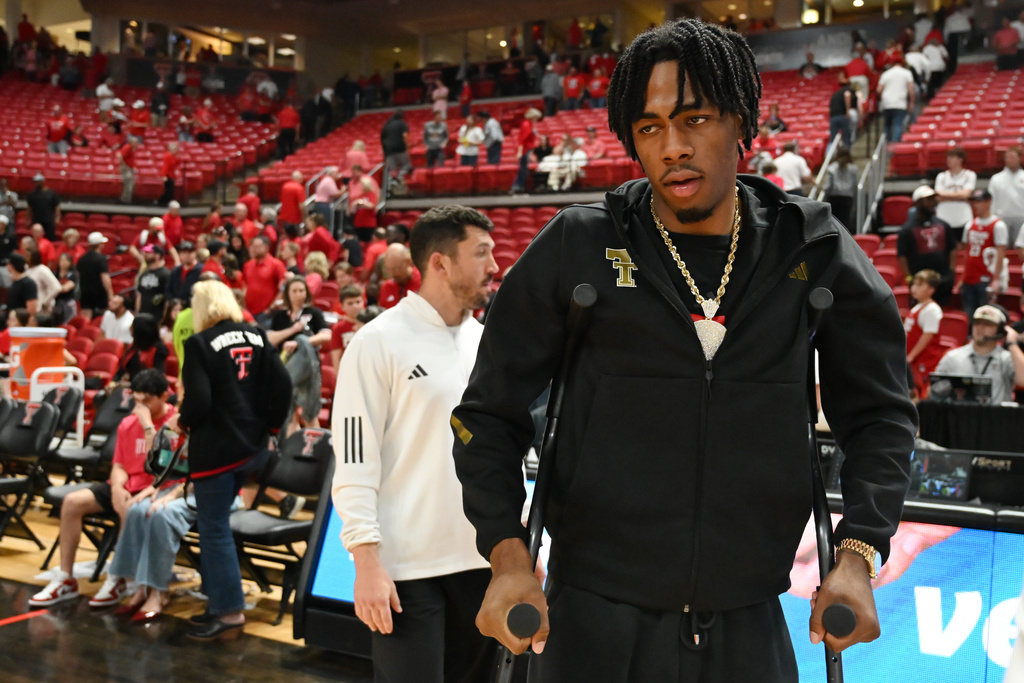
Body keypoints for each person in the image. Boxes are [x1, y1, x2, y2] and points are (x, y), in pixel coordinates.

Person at [451, 19, 917, 682]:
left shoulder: (812, 249)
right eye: (649, 128)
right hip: (590, 619)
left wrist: (859, 551)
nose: (673, 147)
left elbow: (880, 416)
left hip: (748, 618)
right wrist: (506, 554)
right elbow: (488, 415)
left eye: (695, 119)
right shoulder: (576, 247)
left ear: (741, 122)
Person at [331, 205, 499, 683]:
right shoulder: (377, 342)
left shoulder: (485, 342)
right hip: (405, 570)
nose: (494, 267)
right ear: (440, 263)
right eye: (481, 253)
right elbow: (354, 461)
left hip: (482, 563)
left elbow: (499, 454)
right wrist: (365, 562)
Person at [178, 280, 292, 639]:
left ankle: (228, 612)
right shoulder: (257, 335)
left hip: (217, 452)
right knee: (218, 527)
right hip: (252, 448)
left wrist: (183, 422)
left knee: (213, 530)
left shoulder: (198, 344)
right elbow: (284, 386)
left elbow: (197, 401)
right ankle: (217, 602)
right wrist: (272, 426)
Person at [29, 370, 178, 607]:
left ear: (164, 396)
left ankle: (118, 577)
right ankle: (66, 578)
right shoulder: (127, 423)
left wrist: (148, 424)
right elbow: (118, 464)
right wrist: (118, 488)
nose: (140, 406)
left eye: (147, 401)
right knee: (72, 503)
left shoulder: (175, 423)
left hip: (157, 488)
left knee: (130, 509)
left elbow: (162, 467)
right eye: (137, 400)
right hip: (126, 485)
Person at [268, 276, 331, 429]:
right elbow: (269, 339)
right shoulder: (280, 316)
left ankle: (314, 448)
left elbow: (326, 335)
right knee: (289, 416)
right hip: (286, 368)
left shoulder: (314, 313)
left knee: (309, 415)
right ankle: (290, 450)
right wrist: (292, 330)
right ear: (288, 294)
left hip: (309, 370)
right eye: (294, 291)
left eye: (302, 290)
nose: (299, 294)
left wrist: (301, 342)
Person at [935, 304, 1024, 404]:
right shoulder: (953, 357)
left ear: (999, 330)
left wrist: (1012, 343)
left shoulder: (1007, 359)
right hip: (961, 416)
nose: (980, 328)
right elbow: (934, 392)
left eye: (987, 324)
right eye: (977, 323)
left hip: (996, 417)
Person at [897, 185, 959, 305]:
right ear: (919, 202)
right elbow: (902, 256)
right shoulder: (907, 229)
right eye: (928, 199)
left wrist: (951, 272)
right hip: (920, 284)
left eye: (933, 199)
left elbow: (952, 249)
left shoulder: (943, 224)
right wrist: (910, 278)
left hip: (943, 281)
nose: (933, 202)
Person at [955, 189, 1007, 319]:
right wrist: (962, 277)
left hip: (986, 276)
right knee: (969, 314)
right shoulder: (970, 225)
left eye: (979, 201)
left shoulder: (998, 225)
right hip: (969, 276)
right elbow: (967, 252)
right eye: (974, 202)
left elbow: (1001, 253)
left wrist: (996, 278)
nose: (976, 205)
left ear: (988, 201)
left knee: (985, 315)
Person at [904, 269, 945, 397]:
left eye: (920, 285)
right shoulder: (916, 307)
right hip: (913, 360)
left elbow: (927, 336)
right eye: (914, 284)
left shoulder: (932, 309)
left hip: (925, 360)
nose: (914, 288)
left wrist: (910, 356)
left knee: (922, 392)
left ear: (931, 289)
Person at [934, 148, 976, 233]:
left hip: (963, 219)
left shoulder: (969, 175)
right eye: (948, 157)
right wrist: (959, 196)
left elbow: (966, 194)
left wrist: (945, 196)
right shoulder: (941, 176)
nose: (948, 160)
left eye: (952, 157)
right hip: (943, 218)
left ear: (960, 159)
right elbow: (938, 195)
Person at [992, 147, 1024, 246]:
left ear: (1019, 158)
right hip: (1002, 218)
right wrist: (993, 218)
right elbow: (992, 200)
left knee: (1020, 249)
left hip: (1021, 217)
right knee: (1001, 246)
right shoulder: (996, 178)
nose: (1010, 160)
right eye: (1007, 157)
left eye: (1013, 157)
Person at [329, 284, 366, 372]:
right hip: (349, 371)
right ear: (342, 306)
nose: (355, 306)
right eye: (350, 303)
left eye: (358, 302)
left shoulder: (371, 324)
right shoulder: (338, 329)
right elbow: (336, 358)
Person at [876, 60, 915, 143]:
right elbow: (911, 90)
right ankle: (895, 147)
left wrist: (881, 99)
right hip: (900, 103)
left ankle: (887, 144)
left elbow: (879, 90)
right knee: (898, 125)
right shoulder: (907, 73)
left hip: (886, 103)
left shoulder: (885, 74)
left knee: (887, 125)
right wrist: (911, 103)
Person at [78, 232, 114, 319]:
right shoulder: (101, 259)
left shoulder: (82, 259)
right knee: (102, 319)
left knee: (85, 320)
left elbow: (79, 276)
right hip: (99, 294)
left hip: (85, 293)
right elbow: (104, 277)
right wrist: (110, 293)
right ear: (100, 245)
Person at [822, 147, 859, 231]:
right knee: (843, 222)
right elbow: (854, 186)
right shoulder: (853, 169)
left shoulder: (832, 168)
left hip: (837, 196)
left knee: (836, 221)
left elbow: (828, 185)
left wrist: (824, 193)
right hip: (844, 197)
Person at [378, 243, 421, 308]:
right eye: (389, 269)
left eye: (396, 269)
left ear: (408, 262)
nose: (393, 274)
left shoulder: (424, 281)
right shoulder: (387, 287)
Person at [511, 108, 542, 194]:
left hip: (527, 149)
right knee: (523, 169)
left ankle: (519, 186)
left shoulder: (530, 124)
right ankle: (518, 186)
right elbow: (522, 139)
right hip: (525, 149)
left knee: (524, 169)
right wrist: (520, 151)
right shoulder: (526, 124)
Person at [25, 173, 60, 241]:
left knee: (49, 238)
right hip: (36, 219)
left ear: (42, 182)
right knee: (36, 238)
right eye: (35, 182)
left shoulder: (51, 193)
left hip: (48, 220)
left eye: (38, 181)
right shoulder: (32, 194)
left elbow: (57, 207)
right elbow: (29, 208)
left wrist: (57, 218)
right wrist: (27, 219)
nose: (36, 183)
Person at [381, 110, 411, 185]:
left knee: (393, 169)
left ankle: (392, 186)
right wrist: (407, 147)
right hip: (400, 149)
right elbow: (405, 136)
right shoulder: (402, 124)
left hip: (389, 150)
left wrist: (385, 153)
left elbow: (382, 138)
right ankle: (401, 182)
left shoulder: (387, 124)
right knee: (406, 166)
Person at [829, 72, 858, 148]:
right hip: (842, 116)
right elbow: (847, 95)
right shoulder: (848, 90)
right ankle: (847, 153)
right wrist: (847, 111)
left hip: (833, 116)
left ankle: (829, 155)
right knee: (846, 136)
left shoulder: (836, 93)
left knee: (833, 139)